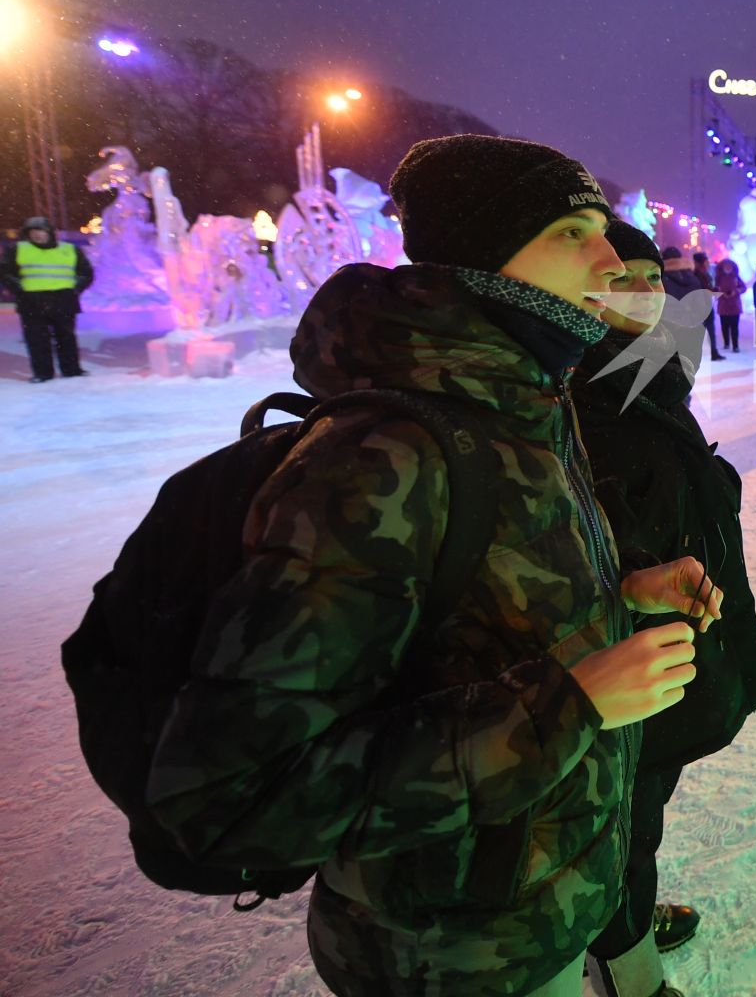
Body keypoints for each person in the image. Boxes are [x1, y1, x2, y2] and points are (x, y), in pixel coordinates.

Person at [147, 135, 716, 997]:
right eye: (571, 231)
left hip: (542, 909)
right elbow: (235, 795)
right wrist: (572, 704)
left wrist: (621, 590)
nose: (608, 255)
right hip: (448, 956)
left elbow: (476, 613)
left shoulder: (524, 395)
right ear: (486, 254)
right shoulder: (382, 454)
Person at [575, 221, 756, 997]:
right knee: (617, 822)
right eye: (621, 277)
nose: (644, 292)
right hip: (615, 658)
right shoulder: (573, 393)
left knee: (640, 809)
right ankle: (628, 970)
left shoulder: (644, 376)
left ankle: (622, 916)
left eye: (652, 278)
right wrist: (634, 582)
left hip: (665, 637)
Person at [2, 215, 94, 382]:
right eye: (33, 232)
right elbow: (6, 273)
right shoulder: (19, 249)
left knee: (66, 338)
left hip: (63, 300)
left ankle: (71, 370)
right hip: (31, 302)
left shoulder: (70, 250)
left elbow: (86, 273)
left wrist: (75, 289)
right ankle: (43, 373)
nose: (37, 235)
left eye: (41, 231)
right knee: (37, 340)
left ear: (50, 232)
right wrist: (20, 289)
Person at [690, 252, 723, 361]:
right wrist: (713, 291)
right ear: (700, 262)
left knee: (711, 331)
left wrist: (714, 290)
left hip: (707, 306)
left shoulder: (705, 274)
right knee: (699, 332)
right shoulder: (696, 275)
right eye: (706, 261)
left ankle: (714, 352)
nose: (708, 263)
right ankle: (697, 354)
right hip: (700, 308)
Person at [711, 258, 744, 353]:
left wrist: (736, 292)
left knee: (734, 327)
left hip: (734, 306)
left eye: (729, 266)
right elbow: (714, 289)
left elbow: (743, 287)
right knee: (724, 326)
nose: (728, 268)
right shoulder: (718, 278)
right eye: (726, 266)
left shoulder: (736, 277)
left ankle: (735, 346)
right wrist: (721, 292)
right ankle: (726, 343)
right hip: (723, 306)